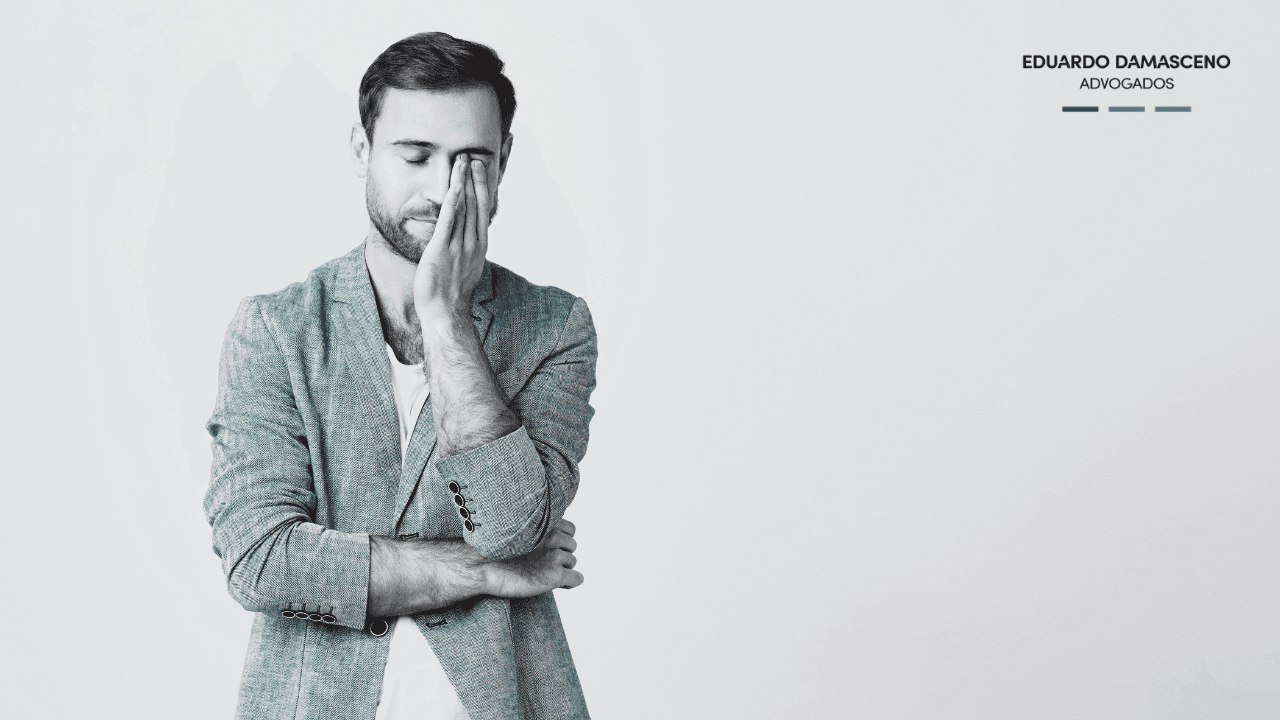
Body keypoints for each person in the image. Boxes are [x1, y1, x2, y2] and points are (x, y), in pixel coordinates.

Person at [203, 32, 597, 720]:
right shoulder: (277, 330)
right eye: (416, 156)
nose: (444, 189)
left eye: (471, 159)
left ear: (505, 159)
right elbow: (261, 559)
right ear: (363, 150)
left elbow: (511, 526)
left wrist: (445, 319)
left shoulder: (554, 326)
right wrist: (484, 572)